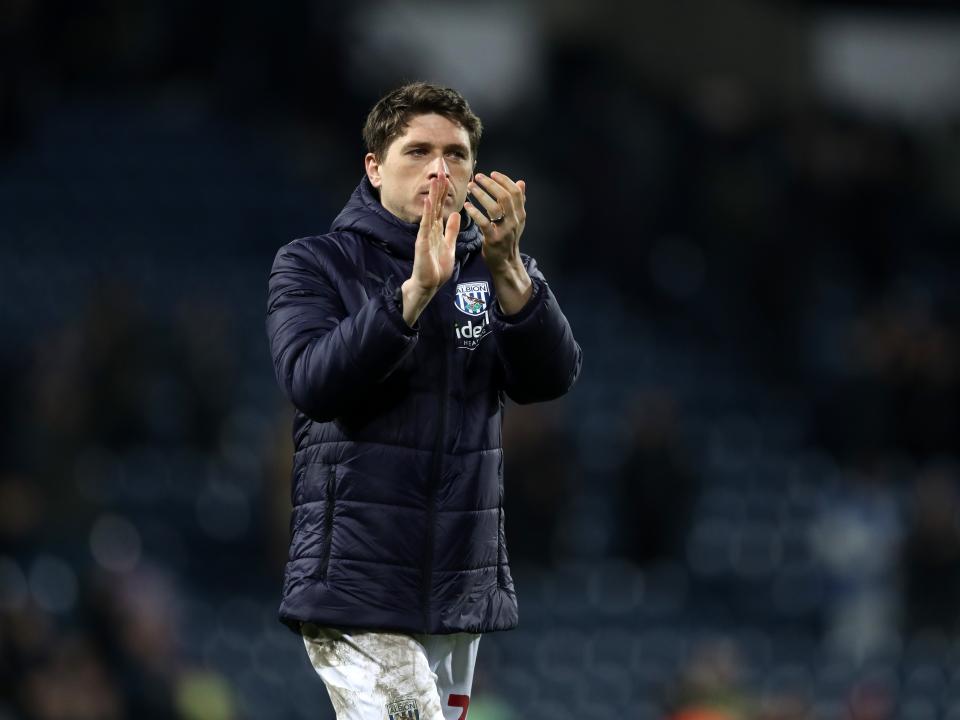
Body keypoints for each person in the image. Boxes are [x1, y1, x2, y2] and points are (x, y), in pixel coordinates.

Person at [265, 81, 582, 719]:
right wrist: (409, 296)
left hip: (457, 585)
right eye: (417, 151)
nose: (440, 169)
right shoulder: (316, 264)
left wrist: (513, 272)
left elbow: (551, 378)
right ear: (374, 168)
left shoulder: (491, 270)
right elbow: (310, 382)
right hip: (357, 582)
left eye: (457, 154)